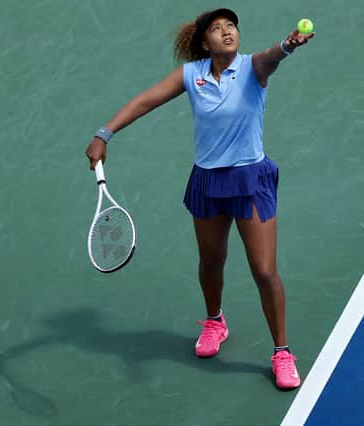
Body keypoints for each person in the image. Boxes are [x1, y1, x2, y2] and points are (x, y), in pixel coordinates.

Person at [85, 8, 314, 390]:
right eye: (217, 29)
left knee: (264, 270)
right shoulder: (191, 75)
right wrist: (104, 133)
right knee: (211, 260)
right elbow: (146, 100)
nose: (227, 32)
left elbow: (271, 57)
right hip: (208, 181)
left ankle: (282, 352)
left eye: (231, 26)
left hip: (250, 179)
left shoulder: (252, 68)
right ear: (204, 41)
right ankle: (214, 321)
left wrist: (287, 46)